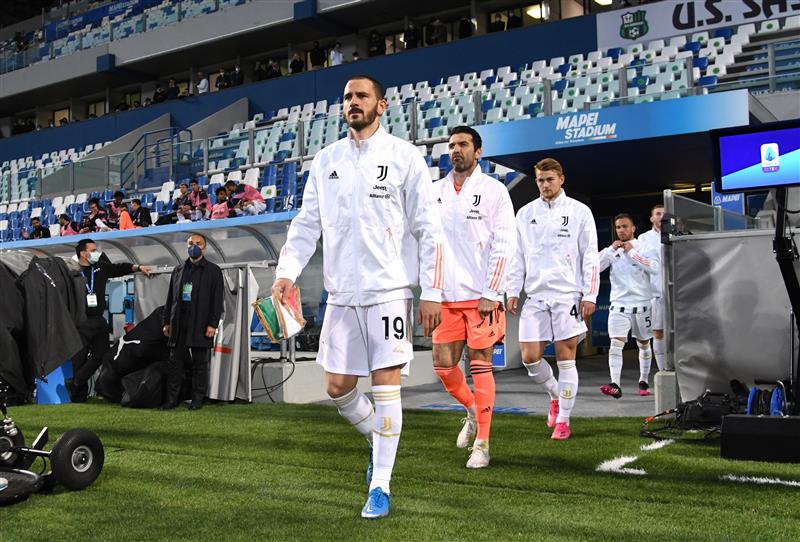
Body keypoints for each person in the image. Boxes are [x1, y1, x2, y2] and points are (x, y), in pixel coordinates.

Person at [271, 75, 444, 519]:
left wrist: (433, 291)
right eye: (347, 97)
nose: (353, 103)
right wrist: (287, 273)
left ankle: (380, 485)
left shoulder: (404, 157)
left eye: (361, 96)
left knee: (386, 388)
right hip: (342, 296)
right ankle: (378, 439)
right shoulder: (327, 160)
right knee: (337, 387)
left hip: (389, 294)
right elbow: (307, 225)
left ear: (381, 105)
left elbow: (429, 229)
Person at [431, 126, 515, 469]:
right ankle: (470, 410)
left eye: (463, 144)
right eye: (451, 145)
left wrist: (491, 292)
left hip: (481, 297)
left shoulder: (494, 191)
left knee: (480, 367)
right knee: (443, 367)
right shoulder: (434, 191)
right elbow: (426, 244)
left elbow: (505, 243)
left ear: (477, 152)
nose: (456, 150)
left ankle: (483, 442)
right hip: (445, 296)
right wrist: (431, 291)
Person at [506, 158, 599, 441]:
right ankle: (555, 396)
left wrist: (590, 294)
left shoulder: (579, 212)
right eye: (540, 180)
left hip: (567, 295)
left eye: (549, 180)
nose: (545, 185)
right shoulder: (524, 213)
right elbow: (517, 255)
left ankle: (564, 420)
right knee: (530, 358)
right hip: (535, 295)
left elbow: (590, 256)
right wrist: (512, 289)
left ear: (561, 179)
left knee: (565, 359)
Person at [67, 239, 151, 402]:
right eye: (93, 250)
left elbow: (120, 268)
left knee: (102, 354)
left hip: (99, 320)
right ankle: (78, 396)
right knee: (78, 359)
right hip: (80, 322)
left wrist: (138, 267)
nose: (97, 252)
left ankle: (76, 382)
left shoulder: (100, 268)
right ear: (83, 253)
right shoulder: (72, 272)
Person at [597, 214, 660, 398]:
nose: (621, 230)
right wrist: (609, 250)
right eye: (618, 227)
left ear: (633, 228)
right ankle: (615, 384)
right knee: (615, 344)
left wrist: (633, 253)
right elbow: (594, 267)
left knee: (643, 344)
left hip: (642, 305)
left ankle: (643, 380)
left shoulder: (644, 247)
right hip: (618, 305)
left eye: (625, 226)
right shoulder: (612, 250)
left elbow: (654, 267)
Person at [161, 234, 224, 410]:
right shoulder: (178, 270)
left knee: (200, 364)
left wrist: (212, 324)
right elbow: (170, 298)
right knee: (175, 364)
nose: (194, 246)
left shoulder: (213, 270)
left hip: (201, 323)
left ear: (204, 248)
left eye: (198, 244)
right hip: (179, 323)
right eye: (191, 243)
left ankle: (198, 400)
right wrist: (167, 321)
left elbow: (217, 300)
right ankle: (172, 399)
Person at [637, 204, 666, 372]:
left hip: (675, 292)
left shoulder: (676, 235)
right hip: (655, 294)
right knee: (658, 332)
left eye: (664, 214)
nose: (661, 217)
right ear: (652, 218)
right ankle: (663, 371)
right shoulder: (644, 239)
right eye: (658, 214)